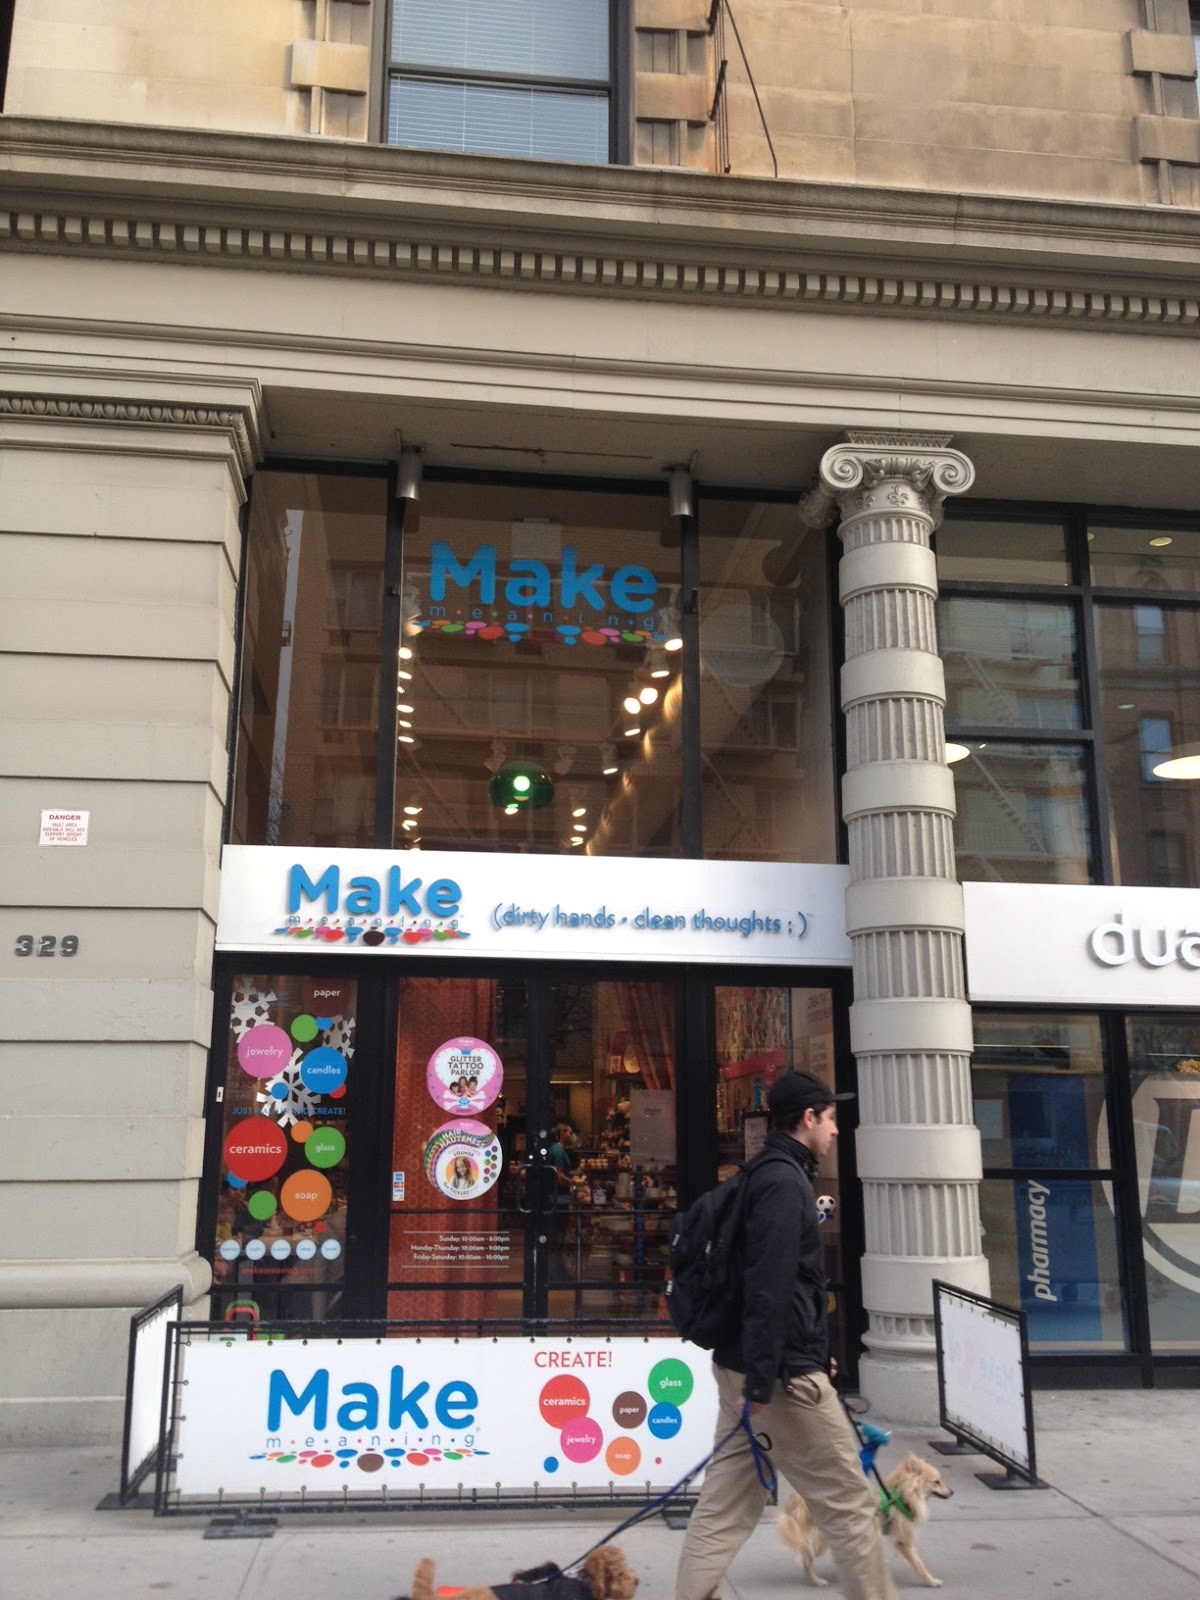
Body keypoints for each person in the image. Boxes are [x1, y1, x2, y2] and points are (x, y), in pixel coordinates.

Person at [675, 1071, 898, 1600]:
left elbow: (783, 1288)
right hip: (778, 1380)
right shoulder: (783, 1183)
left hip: (748, 1369)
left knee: (724, 1507)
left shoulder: (764, 1173)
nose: (836, 1130)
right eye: (831, 1118)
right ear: (808, 1118)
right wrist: (767, 1377)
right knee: (851, 1504)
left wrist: (807, 1353)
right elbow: (768, 1285)